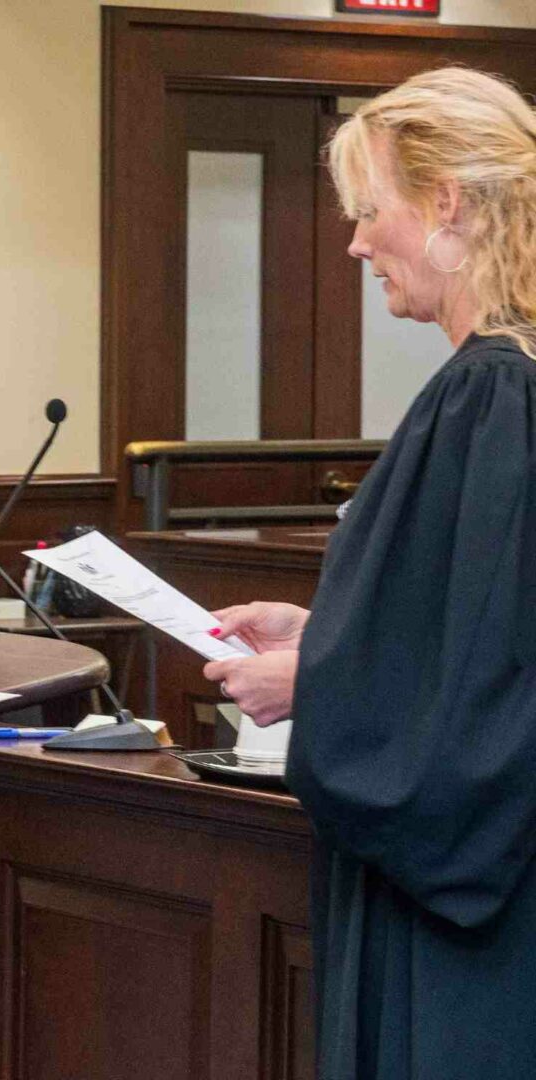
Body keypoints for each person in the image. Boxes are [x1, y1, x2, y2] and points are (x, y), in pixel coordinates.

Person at [201, 68, 536, 1079]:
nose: (353, 244)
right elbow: (479, 626)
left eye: (365, 210)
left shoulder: (490, 396)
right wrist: (328, 636)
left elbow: (488, 691)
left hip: (477, 925)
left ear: (446, 204)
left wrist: (319, 682)